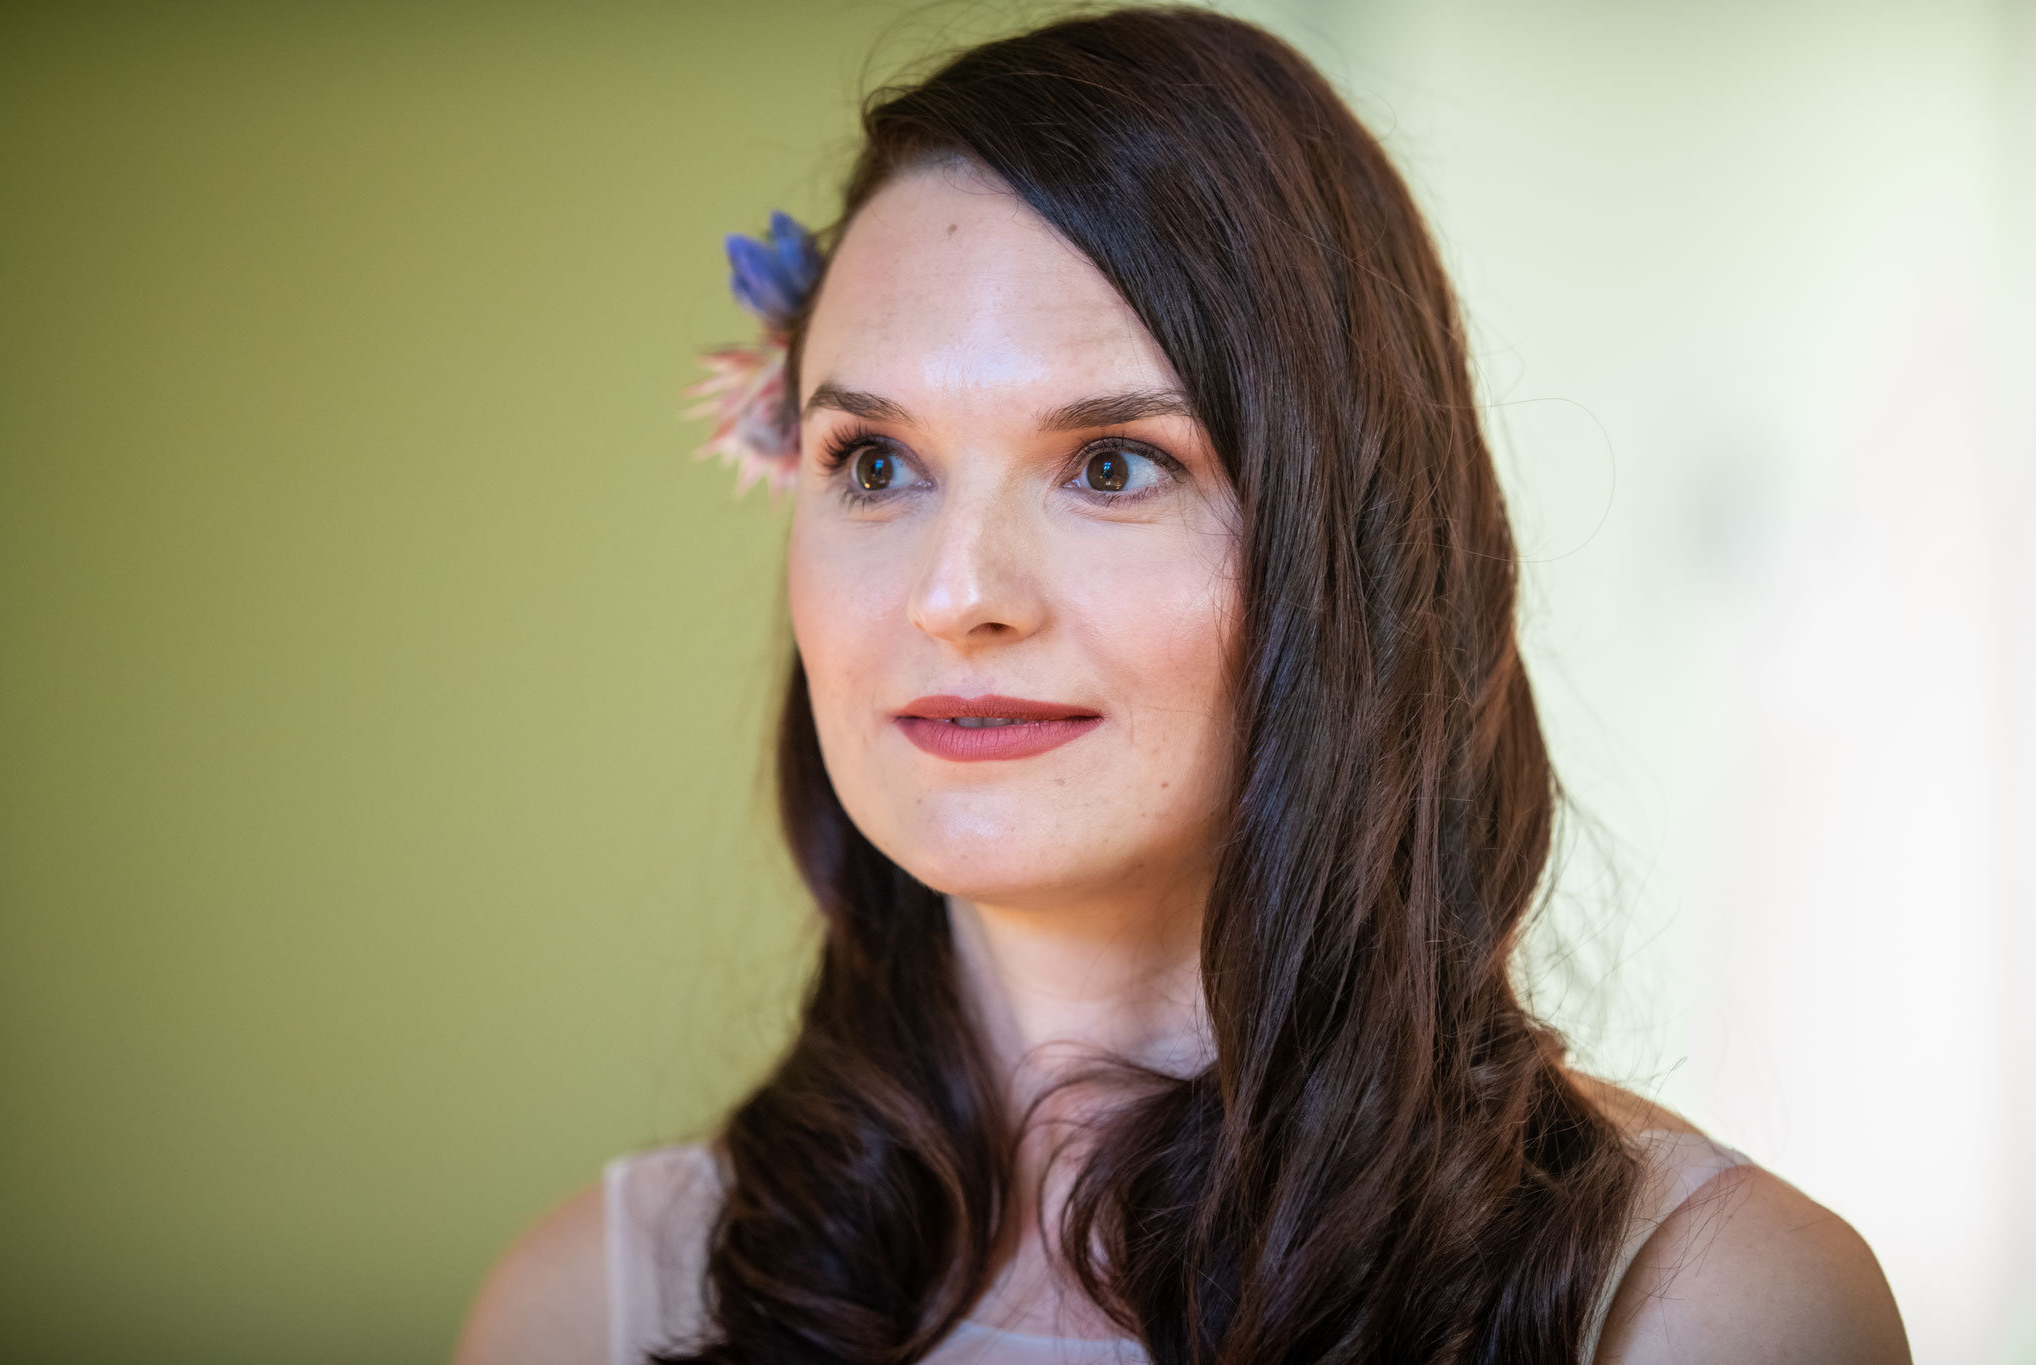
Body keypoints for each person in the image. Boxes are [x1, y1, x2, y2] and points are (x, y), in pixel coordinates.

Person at [453, 8, 1910, 1363]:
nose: (956, 595)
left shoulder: (1709, 1307)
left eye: (1110, 465)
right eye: (875, 462)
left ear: (1353, 543)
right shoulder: (592, 1308)